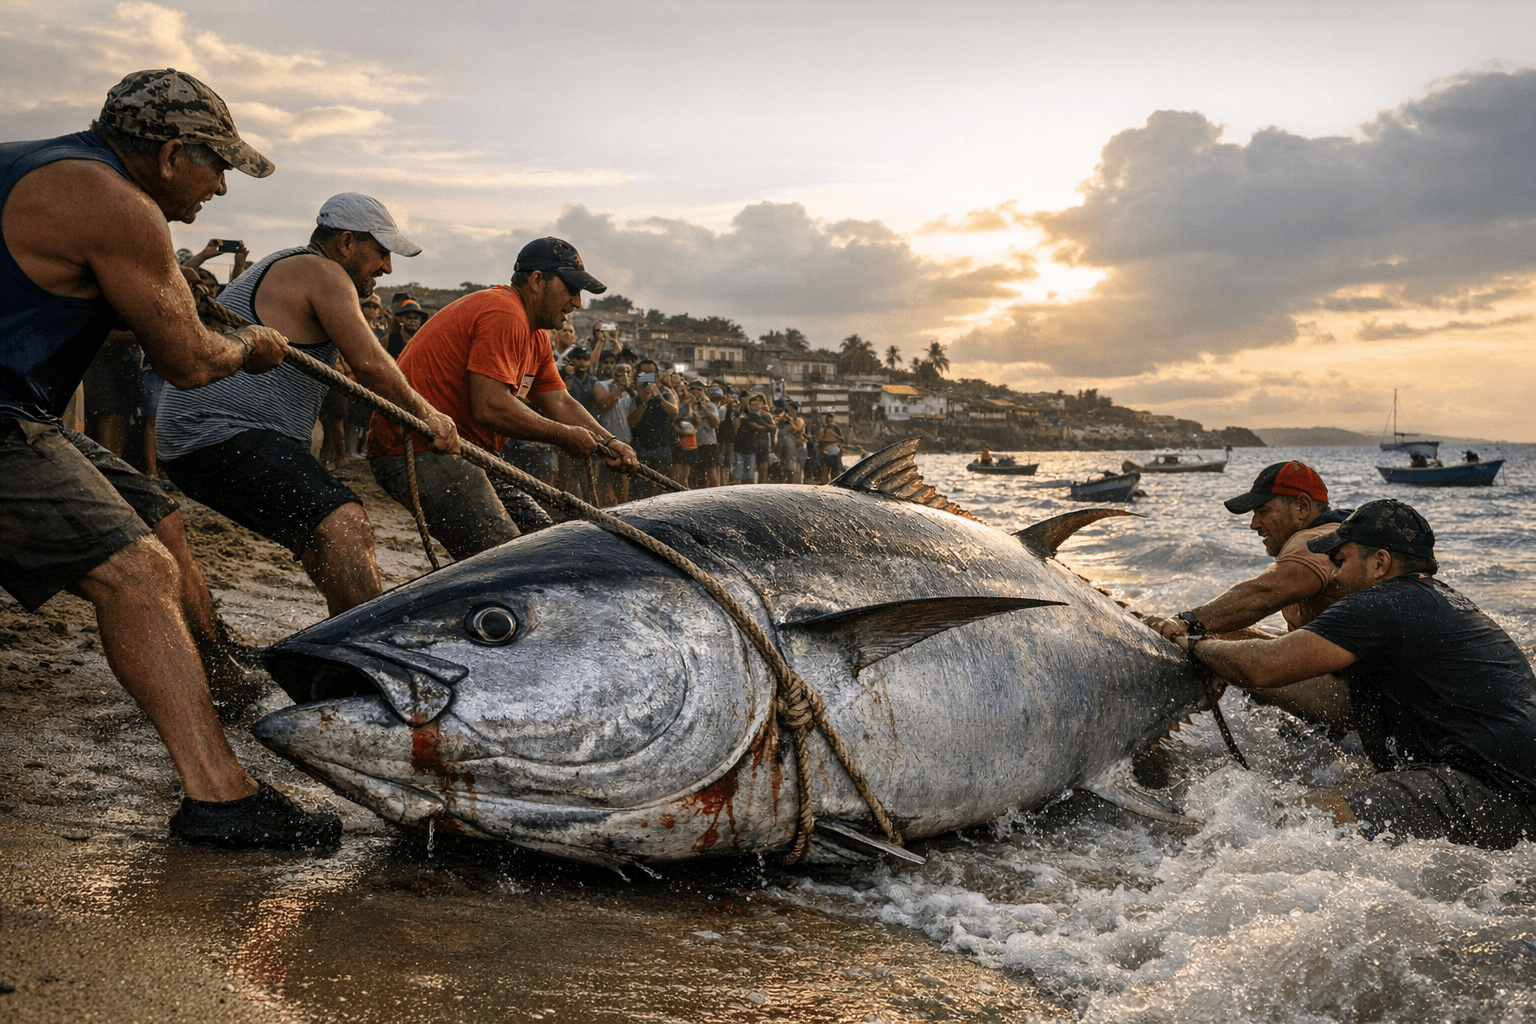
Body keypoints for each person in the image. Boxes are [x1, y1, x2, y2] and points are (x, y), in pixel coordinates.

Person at [0, 67, 339, 848]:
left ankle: (216, 675)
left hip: (25, 409)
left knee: (160, 517)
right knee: (137, 573)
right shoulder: (118, 205)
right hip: (4, 418)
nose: (220, 187)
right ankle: (220, 796)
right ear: (169, 153)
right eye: (217, 165)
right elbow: (188, 362)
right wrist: (250, 347)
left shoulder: (42, 168)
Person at [158, 192, 460, 616]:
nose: (388, 267)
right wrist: (427, 415)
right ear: (348, 243)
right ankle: (370, 649)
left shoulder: (293, 264)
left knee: (325, 544)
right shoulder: (323, 272)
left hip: (195, 438)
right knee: (345, 524)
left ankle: (342, 647)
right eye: (383, 253)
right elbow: (372, 364)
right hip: (218, 433)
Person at [1177, 500, 1536, 849]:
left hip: (1494, 790)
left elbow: (1264, 665)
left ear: (1380, 563)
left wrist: (1192, 646)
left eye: (1341, 561)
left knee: (1312, 817)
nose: (1333, 574)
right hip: (1510, 784)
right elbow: (1307, 676)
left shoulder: (1383, 602)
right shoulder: (1436, 599)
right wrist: (1216, 643)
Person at [369, 237, 638, 558]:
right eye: (571, 289)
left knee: (545, 546)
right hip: (416, 448)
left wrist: (609, 442)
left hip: (468, 453)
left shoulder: (535, 333)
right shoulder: (505, 312)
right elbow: (490, 405)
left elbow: (560, 401)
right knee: (510, 560)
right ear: (537, 280)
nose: (577, 303)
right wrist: (564, 437)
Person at [1146, 461, 1353, 728]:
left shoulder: (1317, 544)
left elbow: (1261, 595)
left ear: (1301, 507)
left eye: (1264, 511)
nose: (1254, 524)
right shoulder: (1337, 532)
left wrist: (1185, 621)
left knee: (1209, 651)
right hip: (1350, 680)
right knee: (1212, 639)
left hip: (1363, 699)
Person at [627, 358, 679, 499]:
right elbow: (632, 422)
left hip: (662, 447)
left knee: (662, 490)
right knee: (639, 491)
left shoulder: (665, 392)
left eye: (652, 373)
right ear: (638, 375)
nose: (649, 377)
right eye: (645, 374)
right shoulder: (635, 395)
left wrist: (660, 398)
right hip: (641, 448)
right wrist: (644, 401)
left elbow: (675, 413)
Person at [592, 361, 635, 505]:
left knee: (623, 483)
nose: (625, 375)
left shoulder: (632, 391)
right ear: (614, 373)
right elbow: (604, 405)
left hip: (625, 442)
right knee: (604, 481)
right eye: (621, 372)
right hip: (606, 442)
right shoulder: (602, 385)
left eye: (629, 372)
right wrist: (620, 388)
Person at [818, 414, 846, 483]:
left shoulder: (836, 428)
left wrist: (834, 435)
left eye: (831, 419)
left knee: (835, 473)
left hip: (835, 452)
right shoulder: (823, 428)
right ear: (827, 420)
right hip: (825, 452)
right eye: (829, 419)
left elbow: (842, 439)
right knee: (825, 472)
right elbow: (819, 439)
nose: (830, 421)